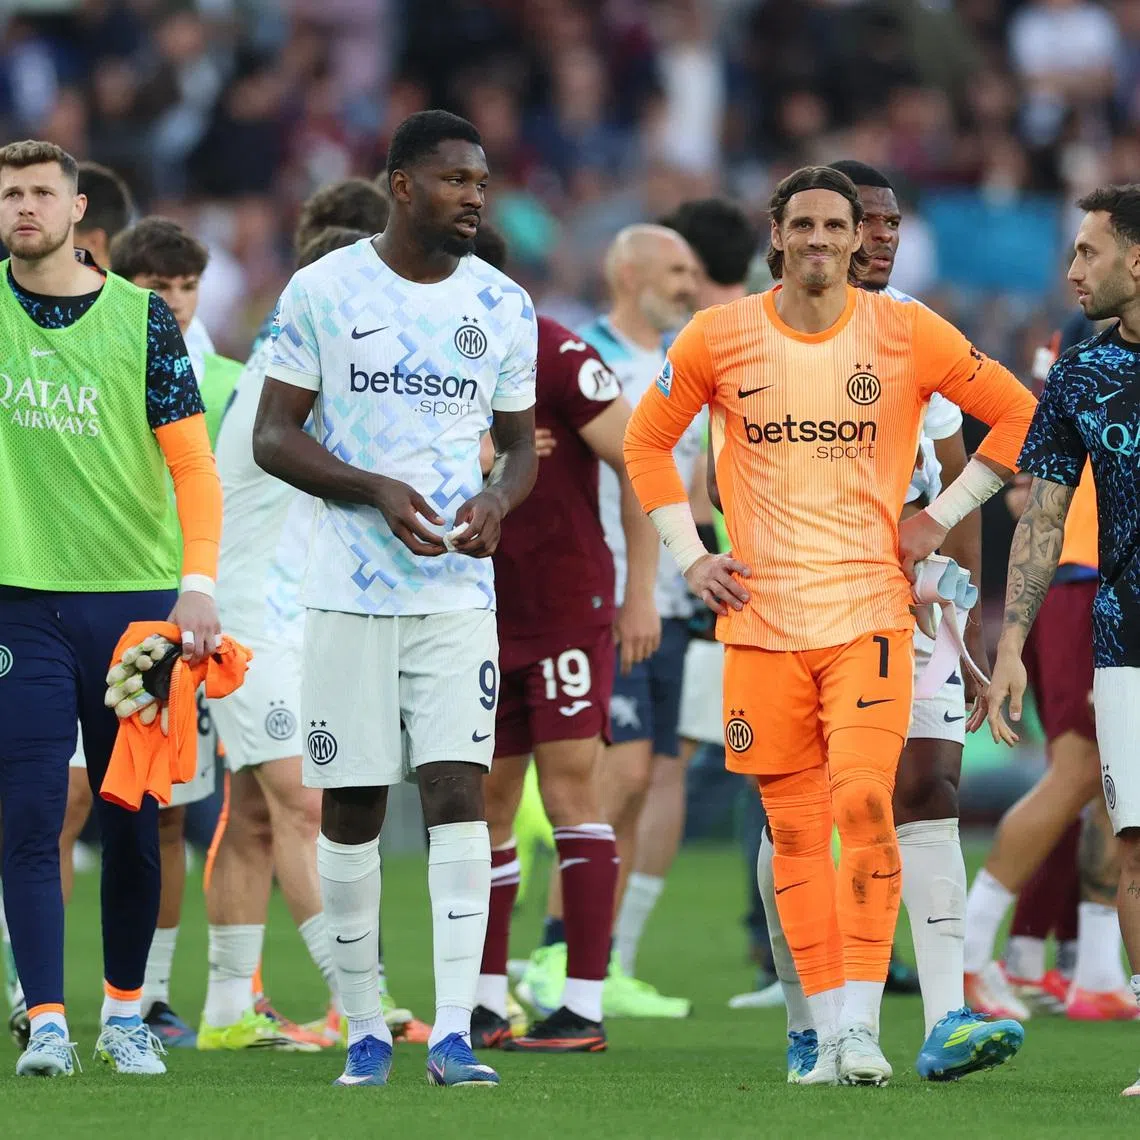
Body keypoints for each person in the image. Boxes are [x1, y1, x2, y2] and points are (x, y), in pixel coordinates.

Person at [623, 164, 1035, 1087]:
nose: (818, 240)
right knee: (796, 834)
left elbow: (1017, 411)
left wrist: (939, 516)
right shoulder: (717, 337)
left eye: (835, 226)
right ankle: (817, 1031)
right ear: (777, 234)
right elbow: (648, 444)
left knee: (863, 803)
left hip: (870, 617)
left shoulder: (905, 331)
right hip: (761, 622)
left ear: (859, 240)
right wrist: (691, 557)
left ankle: (856, 1030)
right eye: (801, 224)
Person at [252, 110, 538, 1089]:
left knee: (460, 789)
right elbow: (272, 436)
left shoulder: (502, 305)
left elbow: (525, 442)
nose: (474, 198)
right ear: (403, 184)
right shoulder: (324, 291)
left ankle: (453, 1031)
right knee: (356, 801)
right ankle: (366, 1025)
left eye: (482, 183)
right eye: (456, 180)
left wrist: (498, 497)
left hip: (458, 592)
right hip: (341, 592)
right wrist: (372, 488)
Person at [748, 159, 1010, 1079]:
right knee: (804, 813)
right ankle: (808, 1016)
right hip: (795, 606)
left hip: (913, 603)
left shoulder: (915, 339)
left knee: (928, 788)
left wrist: (968, 620)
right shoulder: (758, 337)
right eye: (865, 219)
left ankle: (947, 1019)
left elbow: (955, 482)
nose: (881, 235)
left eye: (891, 222)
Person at [0, 139, 222, 1077]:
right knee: (30, 806)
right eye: (9, 193)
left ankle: (125, 1014)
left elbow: (191, 465)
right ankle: (45, 1016)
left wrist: (199, 582)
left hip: (136, 606)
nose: (22, 207)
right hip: (20, 599)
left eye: (40, 192)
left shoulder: (142, 321)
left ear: (78, 208)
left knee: (133, 817)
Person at [201, 221, 428, 1053]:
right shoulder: (296, 373)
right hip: (246, 622)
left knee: (261, 816)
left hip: (281, 613)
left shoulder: (295, 361)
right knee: (304, 803)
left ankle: (227, 1008)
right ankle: (361, 1003)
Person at [470, 222, 659, 1053]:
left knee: (572, 791)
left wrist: (640, 593)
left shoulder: (554, 351)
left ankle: (583, 1003)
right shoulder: (428, 364)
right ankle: (482, 1003)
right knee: (485, 805)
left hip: (564, 607)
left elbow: (642, 462)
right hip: (473, 611)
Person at [516, 223, 701, 1021]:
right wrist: (636, 590)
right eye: (675, 269)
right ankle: (555, 957)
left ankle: (606, 957)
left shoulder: (686, 362)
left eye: (693, 270)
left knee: (656, 777)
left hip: (679, 599)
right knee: (609, 777)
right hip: (607, 601)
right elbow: (627, 470)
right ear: (624, 272)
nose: (691, 283)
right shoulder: (579, 357)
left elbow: (691, 478)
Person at [986, 185, 1140, 1099]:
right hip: (1125, 645)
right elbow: (1041, 516)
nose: (1073, 269)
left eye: (1088, 252)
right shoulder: (1081, 371)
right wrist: (1010, 643)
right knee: (1133, 848)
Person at [106, 216, 243, 1048]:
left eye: (187, 285)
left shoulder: (230, 379)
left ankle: (150, 994)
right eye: (158, 287)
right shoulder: (107, 363)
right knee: (64, 799)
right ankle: (32, 988)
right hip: (93, 595)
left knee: (166, 808)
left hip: (185, 610)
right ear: (129, 290)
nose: (176, 301)